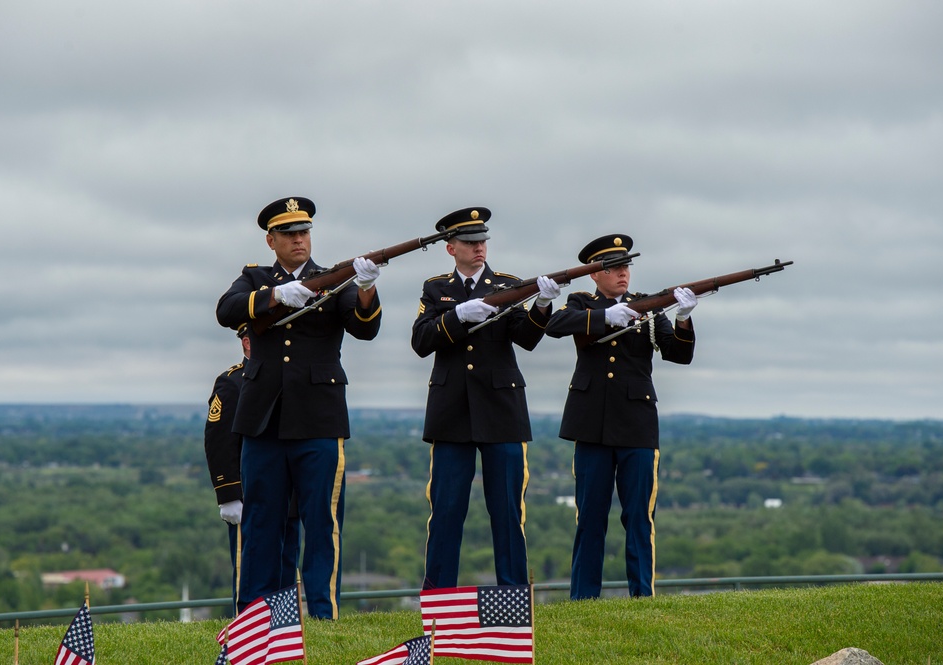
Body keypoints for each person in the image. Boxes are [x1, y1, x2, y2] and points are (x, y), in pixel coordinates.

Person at [215, 196, 382, 619]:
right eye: (289, 234)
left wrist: (365, 289)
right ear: (271, 240)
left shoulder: (333, 278)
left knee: (321, 526)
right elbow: (226, 310)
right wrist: (273, 296)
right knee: (260, 526)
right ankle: (253, 617)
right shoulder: (254, 278)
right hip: (264, 421)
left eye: (304, 232)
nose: (299, 240)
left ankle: (323, 615)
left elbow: (365, 329)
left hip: (319, 419)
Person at [411, 206, 562, 590]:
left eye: (482, 241)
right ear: (451, 248)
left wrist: (542, 305)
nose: (479, 248)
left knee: (507, 511)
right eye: (470, 242)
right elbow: (421, 341)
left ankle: (512, 593)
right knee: (445, 510)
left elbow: (526, 338)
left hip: (501, 410)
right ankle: (439, 596)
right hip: (451, 412)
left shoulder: (507, 285)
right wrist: (458, 316)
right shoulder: (436, 289)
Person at [545, 234, 698, 599]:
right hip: (591, 424)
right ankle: (583, 598)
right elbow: (555, 325)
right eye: (613, 268)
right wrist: (603, 317)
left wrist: (683, 318)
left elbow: (678, 354)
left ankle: (643, 596)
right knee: (590, 519)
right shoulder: (581, 302)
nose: (622, 274)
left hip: (636, 423)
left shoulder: (646, 306)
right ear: (595, 274)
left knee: (639, 520)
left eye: (626, 266)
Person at [203, 323, 300, 614]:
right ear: (247, 343)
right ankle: (248, 629)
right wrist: (228, 494)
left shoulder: (290, 376)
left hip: (289, 497)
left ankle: (283, 631)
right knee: (250, 574)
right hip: (251, 498)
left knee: (286, 570)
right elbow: (218, 440)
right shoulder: (232, 381)